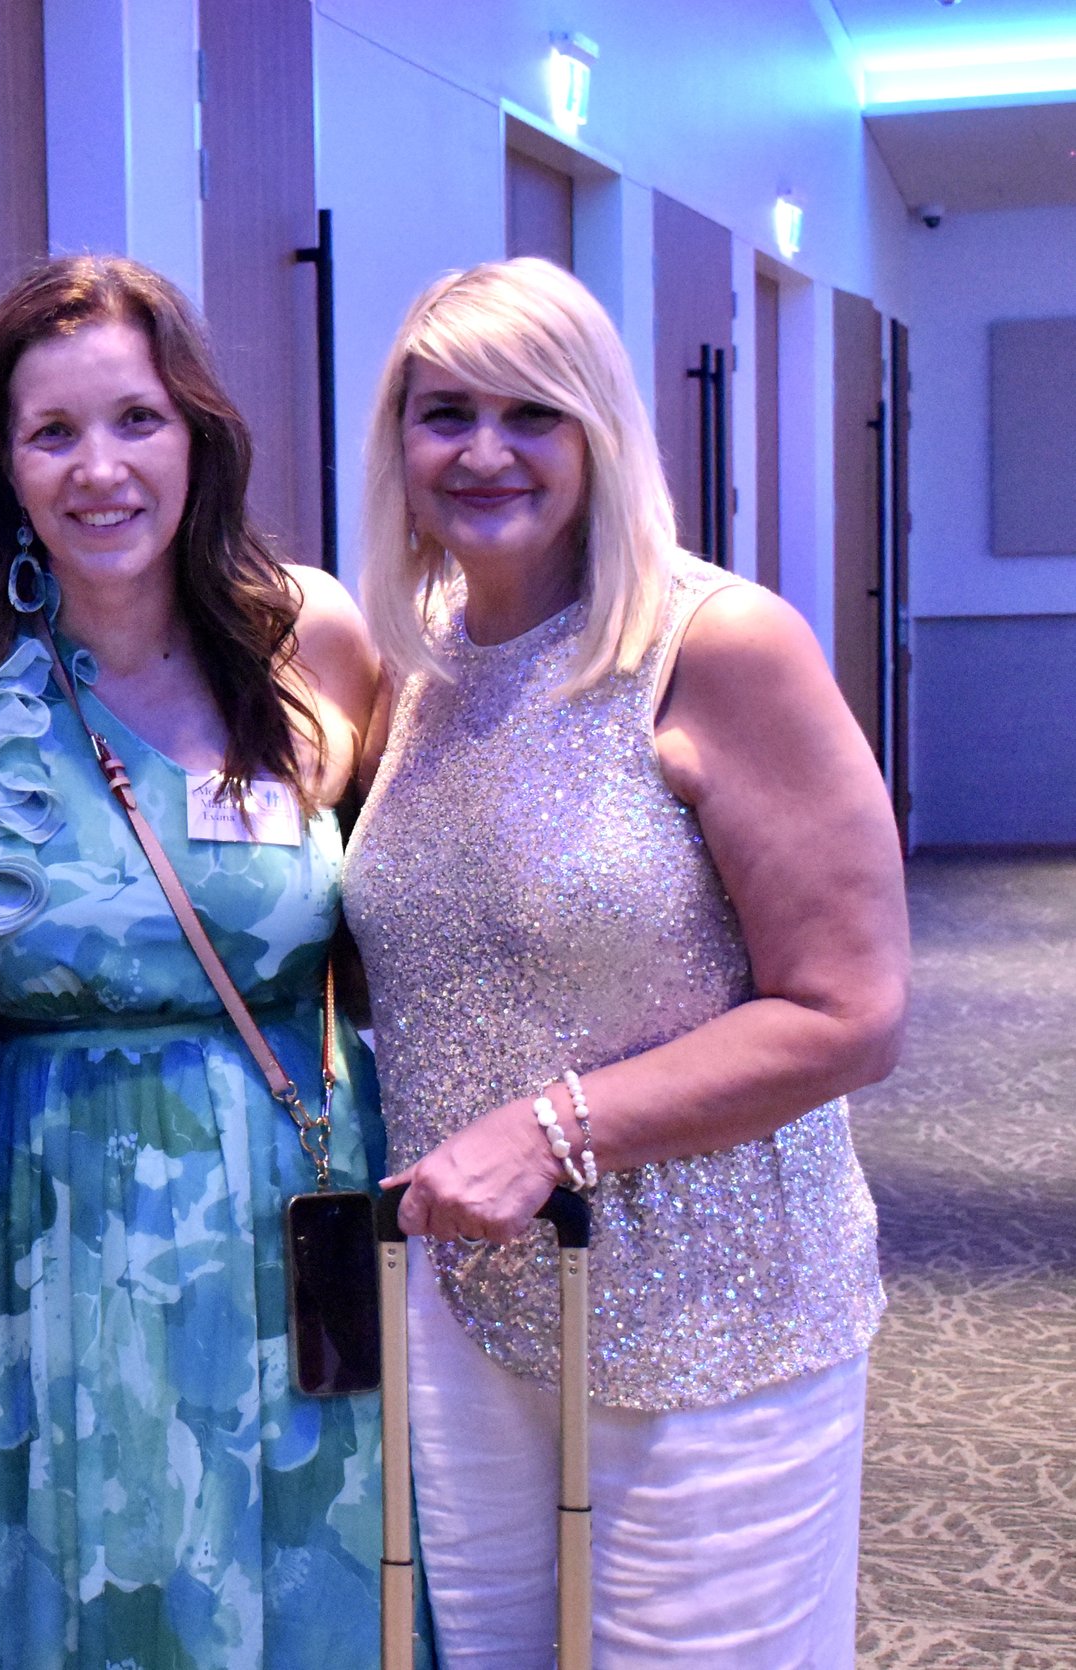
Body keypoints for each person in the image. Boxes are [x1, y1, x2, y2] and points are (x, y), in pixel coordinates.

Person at [342, 257, 906, 1666]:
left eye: (532, 412)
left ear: (603, 430)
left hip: (717, 1309)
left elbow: (853, 1011)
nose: (482, 451)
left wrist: (553, 1129)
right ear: (396, 443)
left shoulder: (717, 644)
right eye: (444, 412)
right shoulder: (417, 668)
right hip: (470, 1302)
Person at [0, 254, 410, 1669]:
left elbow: (407, 905)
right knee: (52, 1597)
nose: (99, 469)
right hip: (39, 1213)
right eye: (54, 433)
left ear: (198, 433)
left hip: (289, 1202)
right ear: (3, 457)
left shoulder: (311, 639)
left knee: (311, 1591)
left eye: (136, 421)